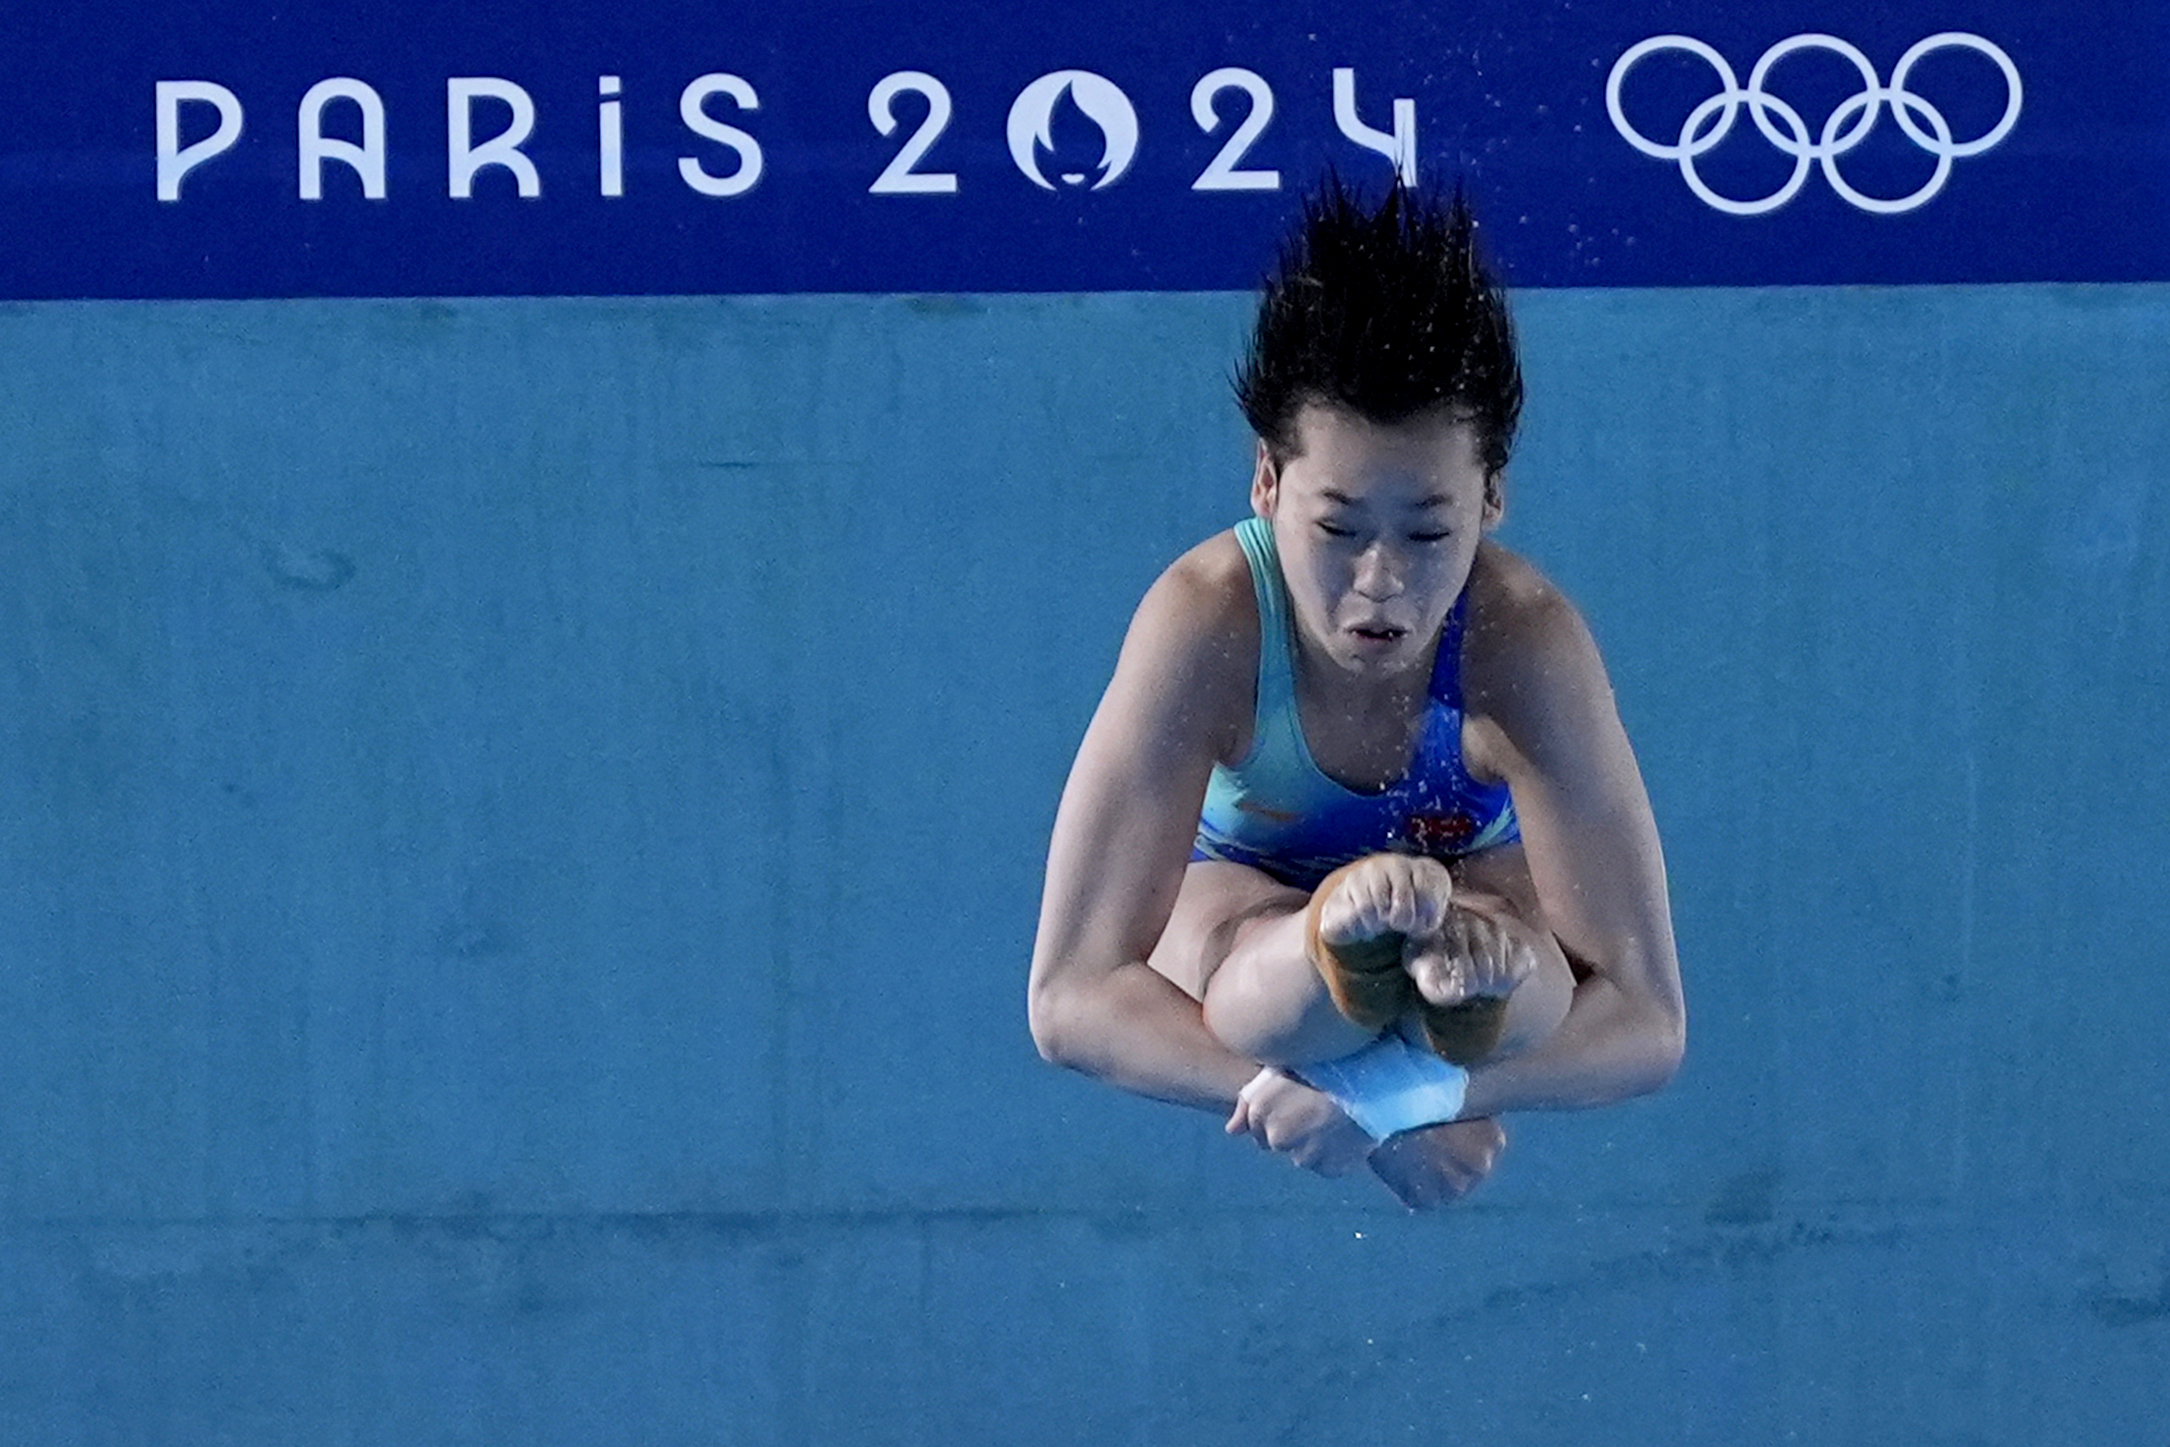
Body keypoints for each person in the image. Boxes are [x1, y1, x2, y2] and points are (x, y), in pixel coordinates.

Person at [1026, 177, 1684, 1209]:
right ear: (1266, 484)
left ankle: (1418, 954)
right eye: (1337, 530)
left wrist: (1410, 1094)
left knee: (1519, 966)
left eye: (1428, 534)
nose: (1380, 581)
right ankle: (1322, 944)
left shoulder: (1525, 640)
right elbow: (1069, 997)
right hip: (1243, 902)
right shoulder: (1206, 621)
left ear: (1493, 498)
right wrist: (1363, 1108)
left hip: (1472, 890)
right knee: (1246, 963)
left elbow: (1646, 1020)